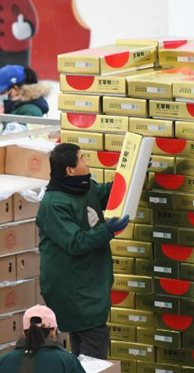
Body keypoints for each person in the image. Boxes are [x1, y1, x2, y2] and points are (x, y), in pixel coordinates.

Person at [36, 143, 129, 360]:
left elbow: (105, 193)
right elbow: (76, 242)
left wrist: (134, 176)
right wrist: (107, 230)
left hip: (90, 282)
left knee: (83, 345)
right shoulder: (53, 204)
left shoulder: (84, 187)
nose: (88, 162)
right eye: (83, 158)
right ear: (70, 169)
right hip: (73, 289)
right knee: (93, 343)